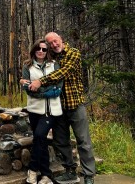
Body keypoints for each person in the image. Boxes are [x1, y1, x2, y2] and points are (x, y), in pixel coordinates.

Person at [28, 32, 96, 184]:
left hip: (75, 104)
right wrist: (26, 79)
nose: (53, 45)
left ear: (61, 39)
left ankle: (89, 175)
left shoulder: (73, 53)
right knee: (60, 140)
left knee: (83, 141)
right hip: (58, 108)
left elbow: (62, 72)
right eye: (50, 43)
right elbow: (38, 64)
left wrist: (40, 81)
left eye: (55, 41)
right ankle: (70, 170)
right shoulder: (51, 57)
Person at [22, 39, 63, 184]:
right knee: (42, 140)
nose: (41, 51)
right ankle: (46, 175)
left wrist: (38, 88)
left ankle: (32, 170)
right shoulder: (28, 66)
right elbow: (26, 88)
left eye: (44, 49)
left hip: (51, 110)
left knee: (39, 136)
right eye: (38, 48)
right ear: (34, 50)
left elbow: (57, 89)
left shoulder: (54, 65)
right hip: (34, 110)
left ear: (48, 52)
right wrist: (41, 89)